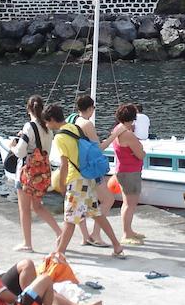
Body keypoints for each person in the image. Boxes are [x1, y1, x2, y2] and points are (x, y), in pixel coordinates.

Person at [45, 104, 125, 259]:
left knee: (69, 220)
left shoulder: (59, 137)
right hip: (86, 178)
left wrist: (61, 185)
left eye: (47, 122)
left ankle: (59, 253)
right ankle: (116, 245)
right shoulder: (73, 127)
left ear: (53, 120)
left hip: (75, 181)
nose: (47, 125)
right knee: (96, 214)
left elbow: (64, 164)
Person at [8, 95, 62, 252]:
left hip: (27, 173)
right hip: (42, 173)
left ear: (28, 109)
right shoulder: (46, 128)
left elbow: (19, 152)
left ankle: (27, 243)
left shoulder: (29, 126)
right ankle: (59, 232)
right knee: (37, 206)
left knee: (24, 209)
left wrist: (12, 146)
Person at [67, 95, 114, 247]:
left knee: (81, 203)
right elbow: (98, 148)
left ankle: (85, 237)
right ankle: (96, 234)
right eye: (93, 108)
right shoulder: (87, 124)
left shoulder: (72, 119)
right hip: (90, 170)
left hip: (76, 168)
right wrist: (114, 135)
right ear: (89, 109)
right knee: (108, 200)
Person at [108, 103, 146, 244]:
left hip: (122, 170)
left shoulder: (117, 129)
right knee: (130, 204)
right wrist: (142, 151)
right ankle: (126, 234)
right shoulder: (128, 135)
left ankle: (128, 230)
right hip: (130, 172)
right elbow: (140, 154)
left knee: (126, 203)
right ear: (131, 119)